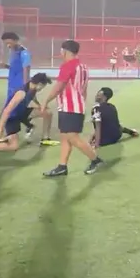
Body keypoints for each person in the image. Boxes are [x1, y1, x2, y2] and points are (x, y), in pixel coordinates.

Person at [40, 39, 104, 177]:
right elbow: (84, 89)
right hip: (74, 107)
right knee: (65, 137)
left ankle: (96, 160)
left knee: (72, 137)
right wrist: (81, 104)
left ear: (64, 51)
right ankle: (62, 166)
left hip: (69, 108)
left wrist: (45, 101)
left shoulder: (67, 66)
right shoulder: (83, 67)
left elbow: (58, 87)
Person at [0, 73, 51, 152]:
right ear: (39, 84)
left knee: (47, 112)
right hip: (12, 118)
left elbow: (33, 97)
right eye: (43, 87)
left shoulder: (32, 89)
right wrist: (0, 129)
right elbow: (7, 111)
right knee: (14, 146)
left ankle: (45, 139)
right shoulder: (21, 93)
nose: (42, 89)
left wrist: (39, 106)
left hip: (22, 112)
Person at [0, 31, 35, 139]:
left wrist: (25, 86)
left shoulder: (24, 53)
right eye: (6, 43)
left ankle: (10, 135)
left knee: (10, 112)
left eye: (9, 43)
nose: (8, 45)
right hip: (11, 86)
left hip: (19, 87)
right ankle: (28, 126)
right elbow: (15, 68)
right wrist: (6, 66)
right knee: (14, 111)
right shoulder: (13, 52)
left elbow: (26, 69)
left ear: (16, 40)